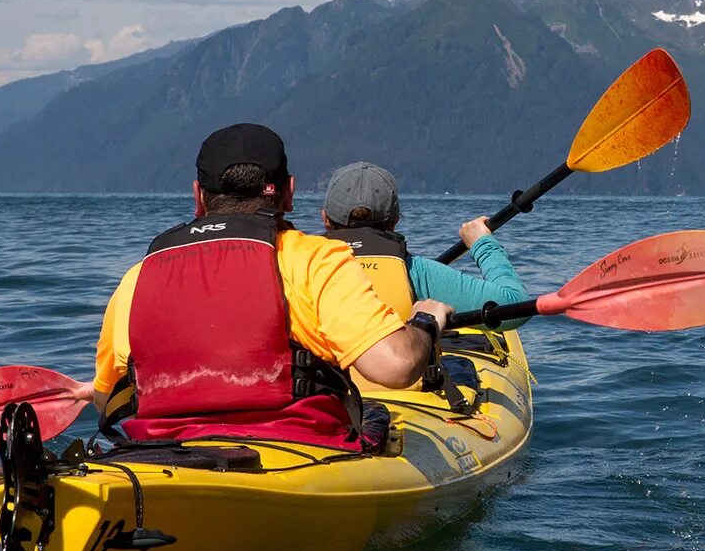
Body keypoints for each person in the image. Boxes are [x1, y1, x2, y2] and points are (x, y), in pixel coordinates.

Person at [91, 124, 451, 452]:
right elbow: (396, 367)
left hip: (160, 454)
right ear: (288, 193)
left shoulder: (139, 276)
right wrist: (425, 323)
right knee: (376, 415)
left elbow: (106, 400)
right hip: (297, 451)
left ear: (198, 196)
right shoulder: (316, 260)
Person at [317, 161, 531, 330]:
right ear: (395, 221)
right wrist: (482, 244)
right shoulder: (416, 273)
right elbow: (514, 306)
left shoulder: (296, 267)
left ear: (325, 218)